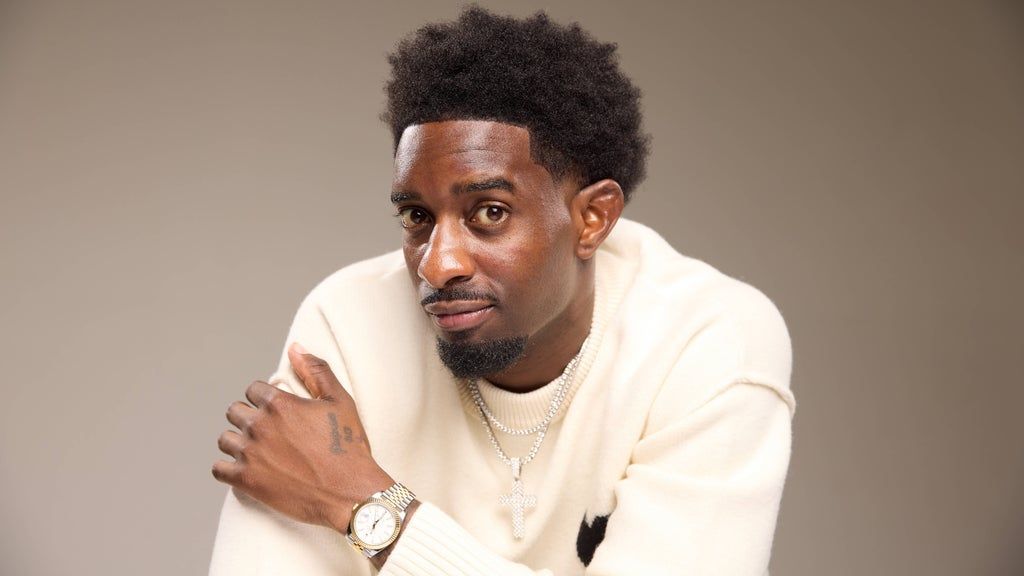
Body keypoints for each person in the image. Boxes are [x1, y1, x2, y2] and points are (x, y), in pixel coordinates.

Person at [209, 6, 795, 575]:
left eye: (489, 212)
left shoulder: (711, 339)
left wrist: (365, 505)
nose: (437, 264)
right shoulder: (347, 323)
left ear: (593, 219)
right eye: (416, 216)